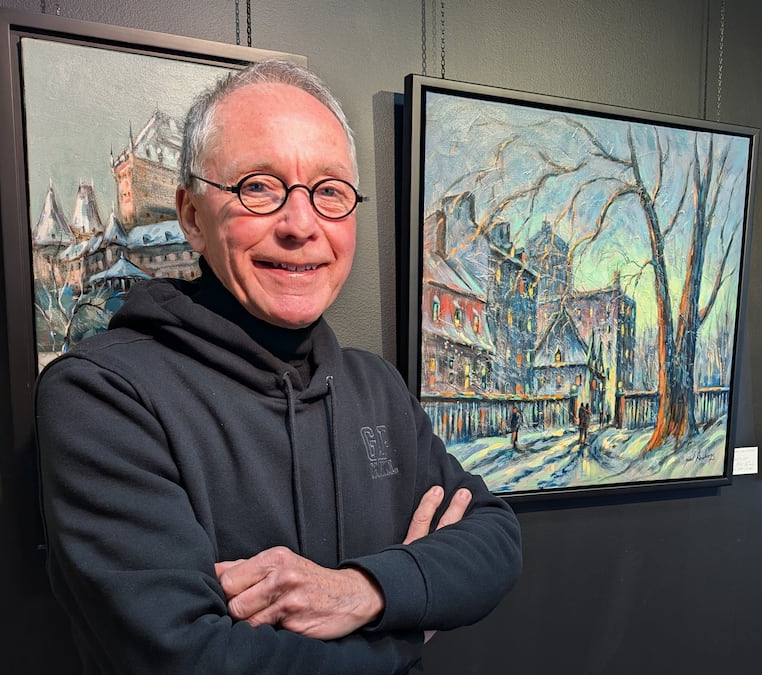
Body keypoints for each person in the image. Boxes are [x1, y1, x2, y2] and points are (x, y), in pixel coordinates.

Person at [35, 60, 521, 674]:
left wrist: (362, 591)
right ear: (190, 216)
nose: (300, 225)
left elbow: (496, 540)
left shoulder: (374, 386)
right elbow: (192, 660)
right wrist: (406, 625)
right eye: (259, 186)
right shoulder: (101, 396)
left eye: (330, 193)